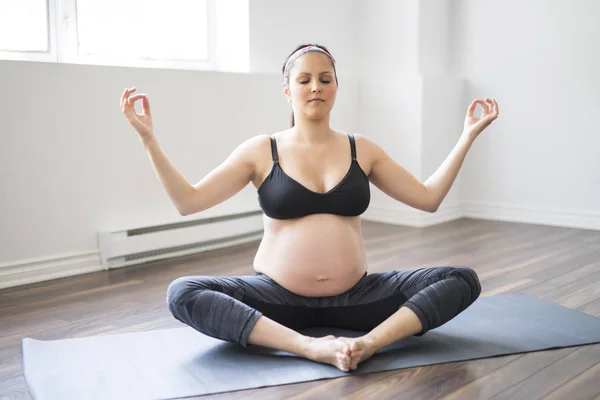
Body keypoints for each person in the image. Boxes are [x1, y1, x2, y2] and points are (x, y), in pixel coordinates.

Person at [120, 43, 499, 372]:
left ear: (336, 87)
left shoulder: (360, 149)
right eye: (304, 80)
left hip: (359, 299)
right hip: (277, 300)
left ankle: (369, 344)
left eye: (325, 78)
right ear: (287, 90)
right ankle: (308, 347)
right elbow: (189, 201)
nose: (315, 87)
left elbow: (428, 198)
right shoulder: (260, 150)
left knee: (461, 280)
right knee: (182, 292)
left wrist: (466, 136)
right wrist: (148, 140)